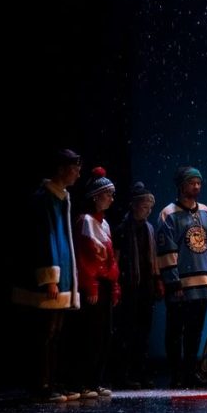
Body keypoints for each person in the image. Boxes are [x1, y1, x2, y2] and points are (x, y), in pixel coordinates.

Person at [13, 149, 83, 402]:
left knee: (56, 333)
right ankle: (42, 384)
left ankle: (53, 381)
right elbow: (45, 237)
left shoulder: (61, 197)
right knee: (46, 333)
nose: (78, 174)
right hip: (50, 277)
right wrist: (50, 277)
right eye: (74, 169)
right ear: (62, 169)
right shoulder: (44, 198)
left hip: (62, 274)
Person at [157, 166, 207, 388]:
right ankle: (176, 374)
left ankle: (190, 372)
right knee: (176, 331)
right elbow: (167, 251)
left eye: (198, 183)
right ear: (181, 186)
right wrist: (173, 281)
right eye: (191, 183)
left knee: (195, 331)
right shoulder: (169, 214)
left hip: (201, 284)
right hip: (181, 285)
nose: (196, 186)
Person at [71, 167, 121, 398]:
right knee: (90, 334)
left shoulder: (104, 224)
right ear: (95, 196)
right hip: (94, 285)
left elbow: (110, 258)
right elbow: (84, 257)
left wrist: (115, 286)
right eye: (108, 194)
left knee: (104, 335)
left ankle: (95, 380)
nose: (111, 199)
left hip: (105, 285)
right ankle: (83, 382)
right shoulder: (86, 221)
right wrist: (90, 285)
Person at [112, 181, 163, 389]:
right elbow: (115, 259)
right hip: (128, 285)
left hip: (145, 286)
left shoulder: (149, 229)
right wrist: (116, 284)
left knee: (143, 332)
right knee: (127, 331)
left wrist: (157, 280)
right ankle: (123, 374)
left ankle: (140, 372)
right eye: (144, 207)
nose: (148, 211)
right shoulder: (122, 229)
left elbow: (154, 258)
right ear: (134, 205)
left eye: (150, 207)